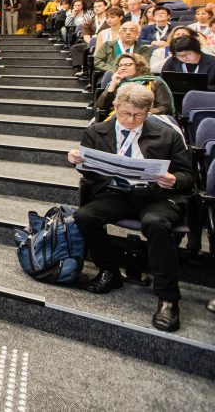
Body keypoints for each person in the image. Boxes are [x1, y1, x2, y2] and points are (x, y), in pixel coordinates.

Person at [68, 84, 193, 332]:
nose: (130, 120)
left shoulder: (167, 135)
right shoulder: (97, 131)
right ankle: (110, 269)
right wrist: (79, 162)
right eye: (125, 113)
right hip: (118, 193)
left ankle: (168, 297)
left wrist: (174, 179)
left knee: (156, 223)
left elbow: (187, 176)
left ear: (148, 112)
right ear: (116, 107)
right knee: (85, 216)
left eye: (138, 115)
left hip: (156, 196)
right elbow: (90, 172)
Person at [96, 54, 173, 118]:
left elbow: (165, 108)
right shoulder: (115, 83)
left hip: (148, 119)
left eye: (128, 64)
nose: (123, 68)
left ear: (139, 66)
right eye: (120, 65)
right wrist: (112, 86)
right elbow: (100, 108)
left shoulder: (155, 82)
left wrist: (142, 114)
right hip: (119, 119)